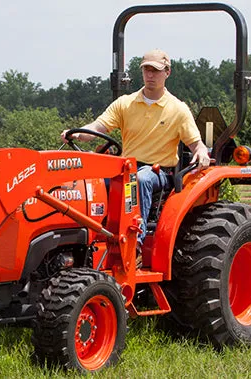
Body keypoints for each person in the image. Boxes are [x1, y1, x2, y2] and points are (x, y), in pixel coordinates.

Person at [60, 48, 211, 261]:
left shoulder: (178, 109)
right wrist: (76, 133)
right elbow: (97, 128)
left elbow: (196, 144)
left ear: (167, 72)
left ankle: (134, 245)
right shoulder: (126, 103)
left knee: (139, 180)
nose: (150, 75)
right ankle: (90, 236)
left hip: (158, 172)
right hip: (126, 166)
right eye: (146, 70)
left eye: (156, 70)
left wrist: (202, 152)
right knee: (88, 183)